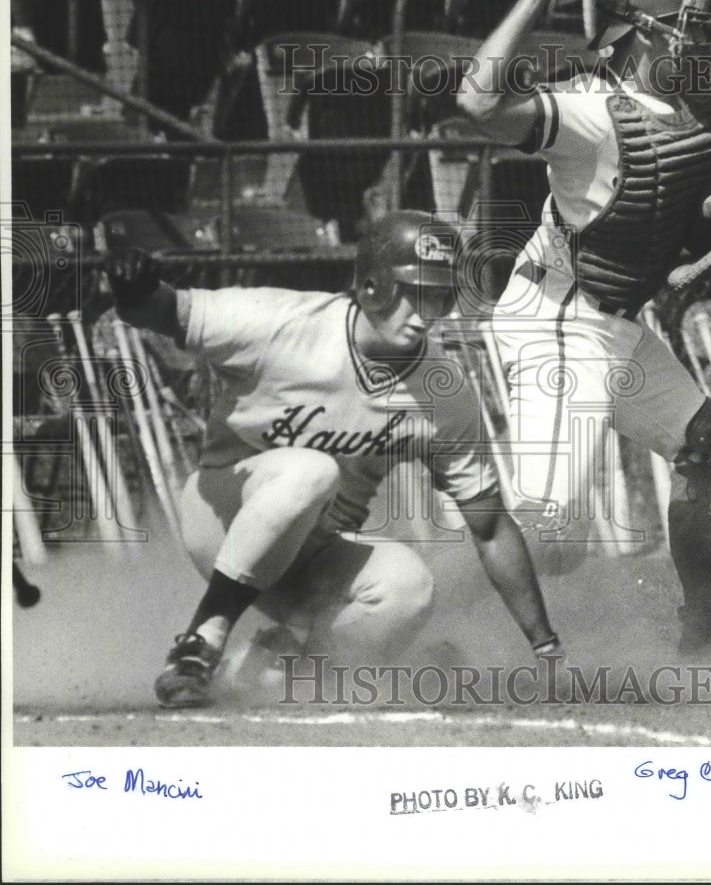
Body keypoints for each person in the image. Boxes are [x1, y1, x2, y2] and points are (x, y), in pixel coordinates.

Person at [105, 210, 564, 708]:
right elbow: (159, 310)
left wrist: (546, 646)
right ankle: (200, 642)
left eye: (437, 294)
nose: (424, 311)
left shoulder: (442, 392)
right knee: (311, 471)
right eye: (411, 291)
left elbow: (490, 528)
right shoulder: (278, 324)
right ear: (370, 286)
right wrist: (132, 286)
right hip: (221, 517)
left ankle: (271, 670)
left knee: (410, 588)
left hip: (313, 558)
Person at [457, 0, 711, 655]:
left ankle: (708, 640)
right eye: (695, 26)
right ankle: (383, 590)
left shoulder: (698, 105)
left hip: (613, 324)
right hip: (554, 320)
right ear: (645, 34)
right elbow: (476, 104)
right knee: (554, 539)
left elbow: (656, 196)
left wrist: (710, 212)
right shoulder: (590, 112)